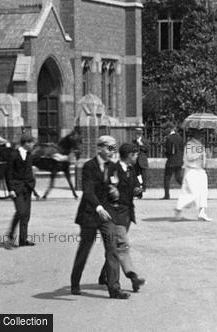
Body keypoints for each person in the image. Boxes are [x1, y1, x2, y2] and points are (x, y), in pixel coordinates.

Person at [70, 134, 130, 299]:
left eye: (114, 149)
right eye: (109, 148)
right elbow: (87, 191)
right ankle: (75, 282)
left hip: (106, 215)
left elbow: (116, 188)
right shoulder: (89, 166)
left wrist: (116, 193)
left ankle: (114, 289)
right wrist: (98, 207)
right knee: (84, 249)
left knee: (112, 250)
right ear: (100, 148)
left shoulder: (113, 167)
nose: (112, 152)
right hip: (90, 213)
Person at [98, 143, 146, 293]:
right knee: (122, 245)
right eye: (136, 154)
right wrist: (111, 191)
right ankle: (133, 277)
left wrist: (138, 190)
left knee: (114, 246)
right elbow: (103, 187)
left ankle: (104, 275)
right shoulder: (113, 169)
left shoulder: (131, 170)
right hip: (114, 214)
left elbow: (137, 188)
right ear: (130, 155)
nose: (137, 157)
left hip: (127, 214)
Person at [5, 134, 36, 247]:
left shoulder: (29, 155)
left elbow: (29, 171)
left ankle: (23, 240)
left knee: (26, 214)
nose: (33, 145)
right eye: (32, 143)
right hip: (16, 188)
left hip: (27, 187)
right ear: (26, 143)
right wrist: (10, 189)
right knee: (20, 211)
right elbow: (8, 173)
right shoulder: (13, 154)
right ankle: (10, 235)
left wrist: (32, 186)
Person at [174, 129, 212, 221]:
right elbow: (189, 157)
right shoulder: (190, 144)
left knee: (203, 192)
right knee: (192, 193)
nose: (202, 135)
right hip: (192, 171)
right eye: (200, 133)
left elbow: (203, 159)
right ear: (195, 134)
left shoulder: (200, 144)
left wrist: (206, 157)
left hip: (200, 171)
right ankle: (179, 208)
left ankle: (202, 212)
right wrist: (199, 154)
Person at [41, 127, 81, 200]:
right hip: (59, 157)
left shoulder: (71, 139)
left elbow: (74, 147)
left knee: (67, 176)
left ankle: (73, 193)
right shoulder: (69, 138)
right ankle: (47, 192)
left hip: (65, 157)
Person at [162, 123, 184, 199]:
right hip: (179, 161)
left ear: (170, 129)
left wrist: (166, 154)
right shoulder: (180, 137)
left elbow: (169, 150)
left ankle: (167, 195)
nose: (164, 130)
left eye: (166, 129)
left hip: (171, 161)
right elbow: (182, 149)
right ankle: (189, 192)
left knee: (167, 178)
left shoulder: (168, 138)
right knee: (179, 178)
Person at [132, 127, 149, 191]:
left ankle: (144, 187)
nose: (136, 135)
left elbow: (147, 149)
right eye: (136, 134)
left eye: (138, 134)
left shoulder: (145, 141)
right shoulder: (133, 141)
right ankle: (137, 186)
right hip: (135, 160)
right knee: (135, 174)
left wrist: (141, 144)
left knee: (144, 175)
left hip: (142, 160)